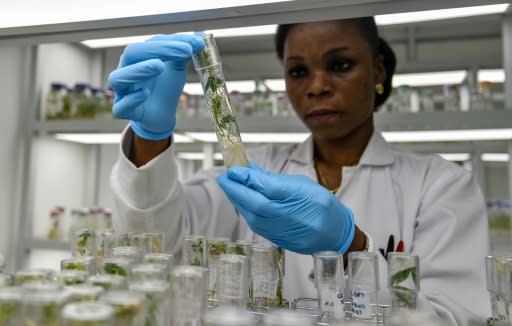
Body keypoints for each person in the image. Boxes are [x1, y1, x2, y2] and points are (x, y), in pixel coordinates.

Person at [109, 17, 490, 324]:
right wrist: (150, 137)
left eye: (340, 65)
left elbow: (453, 316)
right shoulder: (251, 169)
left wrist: (352, 248)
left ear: (377, 72)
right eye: (298, 72)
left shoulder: (440, 185)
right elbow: (157, 247)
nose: (318, 86)